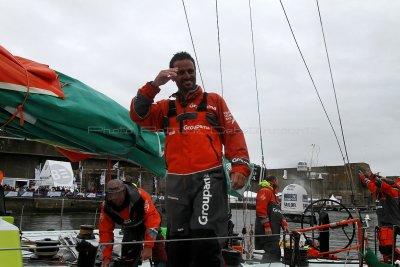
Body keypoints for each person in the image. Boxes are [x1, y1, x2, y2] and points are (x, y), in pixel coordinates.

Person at [130, 51, 250, 266]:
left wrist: (239, 166)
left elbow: (233, 133)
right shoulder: (166, 108)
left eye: (190, 71)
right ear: (173, 76)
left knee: (204, 239)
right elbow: (138, 116)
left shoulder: (213, 101)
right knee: (176, 242)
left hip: (208, 178)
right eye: (181, 72)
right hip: (176, 181)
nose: (187, 76)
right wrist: (154, 84)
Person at [99, 179, 166, 267]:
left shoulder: (140, 197)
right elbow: (105, 233)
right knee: (128, 253)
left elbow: (152, 221)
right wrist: (105, 257)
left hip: (150, 216)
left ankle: (162, 263)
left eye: (118, 195)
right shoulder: (106, 208)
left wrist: (148, 246)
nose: (115, 199)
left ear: (124, 192)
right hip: (131, 224)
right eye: (112, 195)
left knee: (157, 245)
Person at [359, 170, 400, 263]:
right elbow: (372, 185)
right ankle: (389, 261)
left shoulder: (392, 191)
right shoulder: (378, 191)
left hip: (392, 224)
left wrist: (372, 177)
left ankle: (393, 260)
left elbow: (382, 185)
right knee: (384, 249)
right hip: (384, 225)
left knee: (387, 248)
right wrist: (365, 179)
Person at [255, 175, 288, 262]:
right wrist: (266, 226)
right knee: (271, 253)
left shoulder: (274, 196)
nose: (278, 183)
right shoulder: (265, 191)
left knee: (276, 253)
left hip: (274, 234)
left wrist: (283, 222)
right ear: (273, 181)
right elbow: (261, 210)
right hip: (267, 232)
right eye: (277, 181)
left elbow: (277, 212)